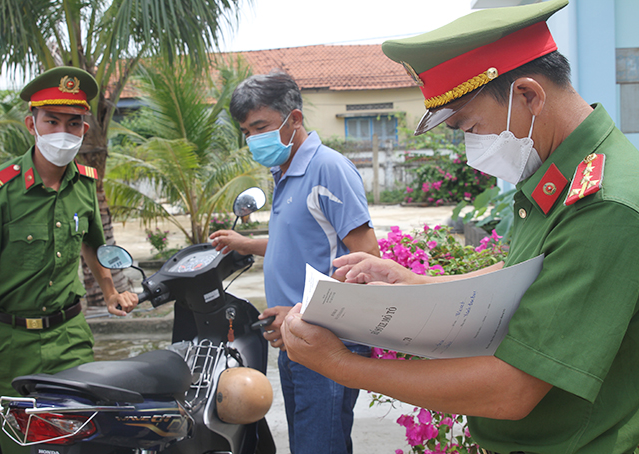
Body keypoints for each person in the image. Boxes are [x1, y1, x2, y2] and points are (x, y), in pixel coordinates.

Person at [280, 1, 639, 453]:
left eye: (470, 126)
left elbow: (512, 390)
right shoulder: (559, 174)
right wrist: (418, 284)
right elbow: (540, 277)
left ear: (528, 96)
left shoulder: (604, 203)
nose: (472, 147)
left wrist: (340, 365)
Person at [0, 66, 139, 453]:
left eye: (73, 122)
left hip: (70, 335)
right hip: (12, 342)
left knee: (80, 443)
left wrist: (109, 292)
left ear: (84, 129)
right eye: (51, 120)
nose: (63, 131)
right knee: (22, 446)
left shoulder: (86, 183)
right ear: (32, 123)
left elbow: (92, 244)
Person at [209, 72, 380, 454]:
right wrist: (245, 243)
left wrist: (301, 312)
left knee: (320, 445)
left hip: (328, 339)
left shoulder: (327, 169)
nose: (253, 139)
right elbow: (300, 243)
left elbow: (366, 260)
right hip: (294, 336)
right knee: (309, 440)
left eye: (260, 127)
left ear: (295, 119)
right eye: (246, 131)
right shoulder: (283, 171)